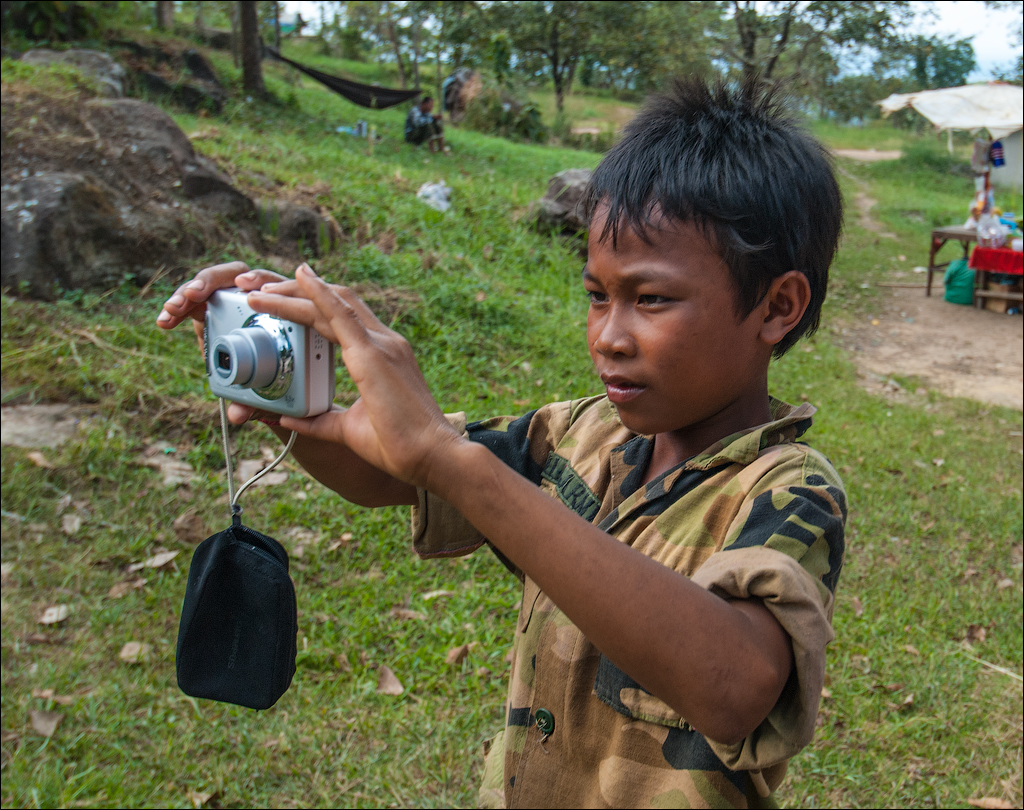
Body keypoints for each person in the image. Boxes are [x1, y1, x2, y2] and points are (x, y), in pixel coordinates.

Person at [157, 76, 846, 809]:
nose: (609, 337)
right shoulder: (578, 435)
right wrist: (292, 402)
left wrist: (454, 462)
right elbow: (394, 475)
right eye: (596, 295)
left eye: (650, 299)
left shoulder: (787, 489)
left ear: (777, 307)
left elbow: (733, 687)